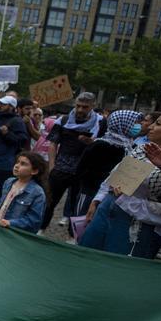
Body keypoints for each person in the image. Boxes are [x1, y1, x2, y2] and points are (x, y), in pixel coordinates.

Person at [81, 111, 161, 259]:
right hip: (106, 211)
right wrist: (98, 200)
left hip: (138, 230)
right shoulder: (142, 149)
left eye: (158, 124)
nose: (150, 127)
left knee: (117, 272)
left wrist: (125, 201)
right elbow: (115, 176)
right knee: (87, 258)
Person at [41, 92, 102, 230]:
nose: (80, 110)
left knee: (78, 206)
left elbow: (102, 145)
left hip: (83, 171)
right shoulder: (63, 120)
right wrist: (52, 166)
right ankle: (41, 229)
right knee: (49, 201)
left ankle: (73, 236)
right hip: (60, 168)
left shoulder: (99, 122)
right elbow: (53, 144)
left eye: (85, 107)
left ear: (93, 106)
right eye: (78, 106)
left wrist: (91, 142)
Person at [74, 110, 143, 215]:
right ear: (122, 123)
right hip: (90, 191)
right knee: (81, 220)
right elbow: (81, 169)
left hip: (112, 196)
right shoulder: (99, 145)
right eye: (134, 123)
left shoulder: (132, 147)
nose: (137, 126)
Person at [0, 152, 49, 232]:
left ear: (34, 171)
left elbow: (34, 220)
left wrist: (11, 223)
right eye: (17, 162)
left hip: (13, 233)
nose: (17, 166)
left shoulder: (37, 193)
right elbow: (2, 202)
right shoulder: (9, 182)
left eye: (23, 164)